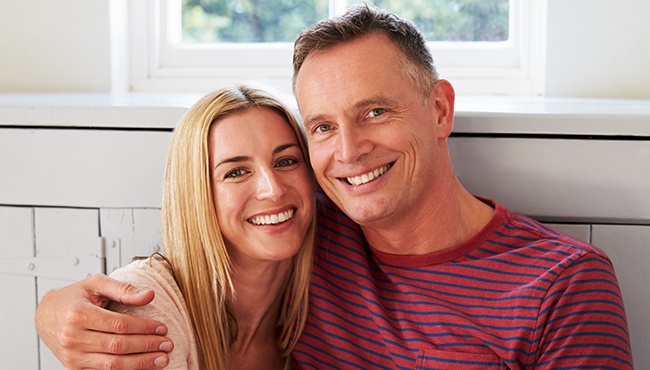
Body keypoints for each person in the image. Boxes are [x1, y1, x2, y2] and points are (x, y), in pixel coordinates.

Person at [35, 4, 633, 369]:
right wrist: (53, 311)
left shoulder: (563, 283)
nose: (348, 152)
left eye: (375, 112)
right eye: (322, 127)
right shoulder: (306, 228)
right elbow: (195, 258)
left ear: (440, 109)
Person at [36, 85, 317, 369]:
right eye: (235, 172)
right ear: (195, 195)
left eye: (286, 161)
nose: (273, 190)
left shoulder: (328, 280)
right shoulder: (148, 309)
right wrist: (47, 309)